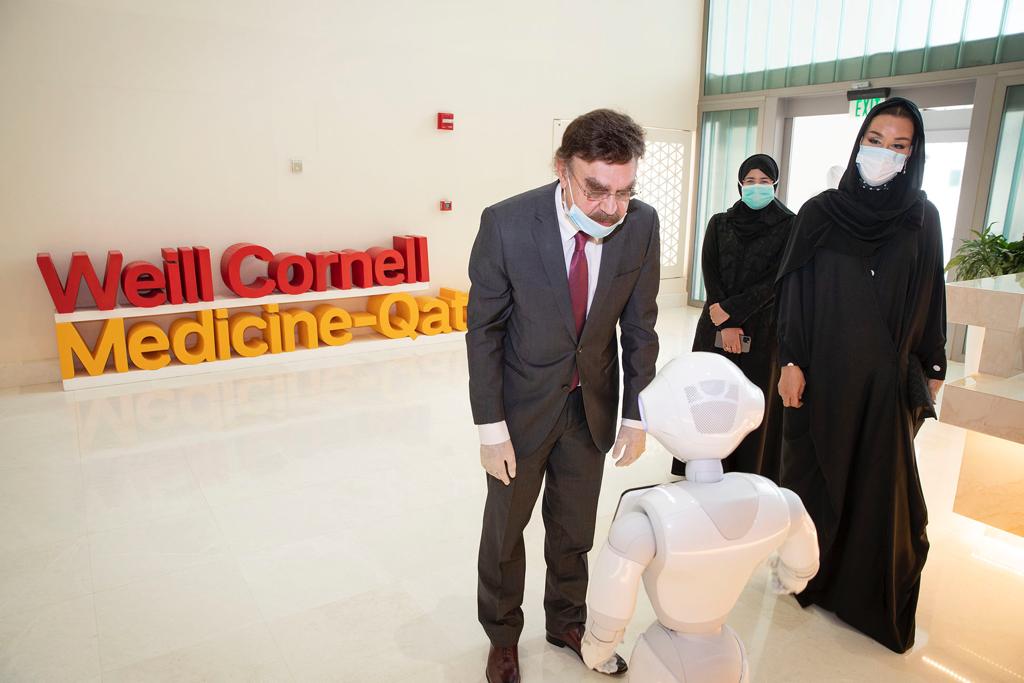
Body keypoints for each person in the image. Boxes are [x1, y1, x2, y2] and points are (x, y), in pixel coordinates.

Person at [467, 108, 660, 683]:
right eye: (596, 188)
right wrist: (489, 427)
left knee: (574, 528)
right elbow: (485, 331)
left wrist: (635, 414)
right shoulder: (507, 223)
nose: (610, 207)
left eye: (624, 191)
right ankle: (503, 636)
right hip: (521, 409)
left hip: (589, 407)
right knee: (505, 533)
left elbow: (640, 326)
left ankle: (566, 621)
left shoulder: (641, 225)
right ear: (562, 169)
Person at [774, 97, 947, 654]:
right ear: (858, 142)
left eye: (899, 146)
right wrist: (789, 360)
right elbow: (794, 292)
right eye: (876, 140)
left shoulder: (922, 218)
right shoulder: (821, 212)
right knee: (818, 479)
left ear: (913, 155)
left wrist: (933, 367)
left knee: (882, 495)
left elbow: (931, 298)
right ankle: (815, 577)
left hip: (883, 386)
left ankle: (864, 598)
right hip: (822, 376)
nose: (885, 154)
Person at [680, 154, 794, 483]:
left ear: (775, 184)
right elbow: (710, 268)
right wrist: (725, 318)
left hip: (762, 326)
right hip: (716, 320)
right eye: (750, 181)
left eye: (764, 182)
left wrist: (734, 313)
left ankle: (748, 468)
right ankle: (705, 460)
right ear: (740, 184)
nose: (756, 187)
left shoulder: (790, 226)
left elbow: (778, 278)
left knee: (751, 397)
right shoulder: (720, 222)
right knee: (711, 392)